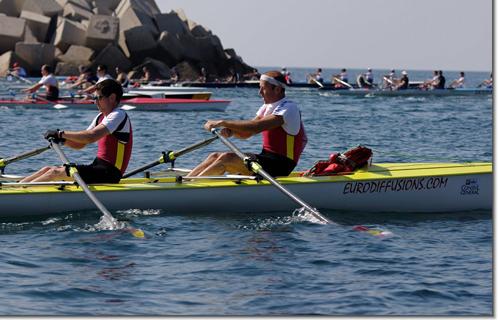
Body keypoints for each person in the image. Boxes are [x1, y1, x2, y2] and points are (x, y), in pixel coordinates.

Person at [187, 70, 307, 178]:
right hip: (266, 159)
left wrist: (222, 122)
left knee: (227, 158)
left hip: (281, 164)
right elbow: (247, 133)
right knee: (214, 156)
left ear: (277, 89)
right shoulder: (266, 107)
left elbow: (256, 127)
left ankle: (190, 190)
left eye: (263, 88)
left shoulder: (289, 108)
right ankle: (187, 181)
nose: (260, 92)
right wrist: (232, 132)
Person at [20, 79, 133, 184]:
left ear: (112, 97)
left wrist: (61, 133)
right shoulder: (101, 117)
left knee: (55, 173)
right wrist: (62, 140)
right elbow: (81, 144)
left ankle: (20, 195)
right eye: (94, 98)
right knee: (48, 169)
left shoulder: (118, 115)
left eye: (98, 97)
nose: (95, 101)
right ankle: (16, 188)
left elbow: (91, 137)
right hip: (98, 168)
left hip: (109, 174)